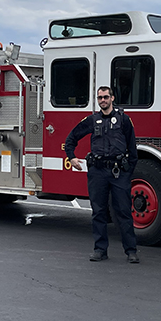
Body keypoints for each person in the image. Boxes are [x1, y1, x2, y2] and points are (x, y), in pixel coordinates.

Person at [64, 86, 139, 263]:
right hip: (97, 172)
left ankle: (131, 251)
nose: (102, 100)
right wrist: (72, 157)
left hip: (118, 172)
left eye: (105, 97)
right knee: (98, 212)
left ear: (112, 98)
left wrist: (127, 174)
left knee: (124, 212)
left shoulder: (124, 120)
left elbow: (133, 150)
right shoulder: (92, 120)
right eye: (99, 98)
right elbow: (71, 139)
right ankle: (100, 249)